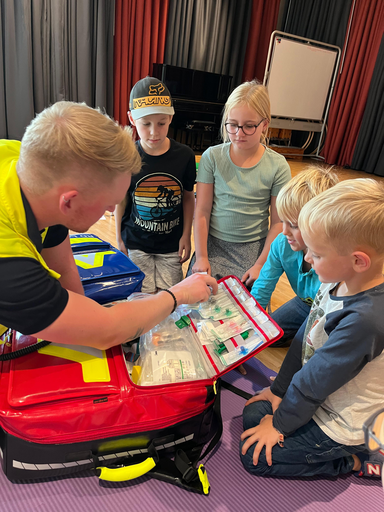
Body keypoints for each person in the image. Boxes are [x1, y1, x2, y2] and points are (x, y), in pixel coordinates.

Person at [0, 101, 217, 350]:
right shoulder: (9, 265)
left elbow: (64, 268)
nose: (113, 210)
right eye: (108, 204)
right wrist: (178, 295)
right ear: (69, 201)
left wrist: (84, 320)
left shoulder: (31, 165)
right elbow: (107, 332)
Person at [240, 178, 384, 478]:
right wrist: (278, 390)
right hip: (318, 397)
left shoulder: (366, 320)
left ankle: (359, 462)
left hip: (341, 420)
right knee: (255, 413)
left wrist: (279, 425)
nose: (307, 258)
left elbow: (315, 382)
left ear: (358, 261)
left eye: (316, 254)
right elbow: (307, 336)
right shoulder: (334, 277)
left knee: (256, 458)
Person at [189, 80, 291, 287]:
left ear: (265, 124)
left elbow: (279, 224)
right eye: (233, 125)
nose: (238, 133)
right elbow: (202, 211)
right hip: (213, 246)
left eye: (249, 126)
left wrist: (261, 264)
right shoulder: (212, 157)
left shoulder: (278, 166)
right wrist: (201, 257)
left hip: (254, 251)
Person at [115, 77, 196, 293]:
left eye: (161, 123)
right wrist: (118, 239)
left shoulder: (185, 156)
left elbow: (188, 197)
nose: (154, 132)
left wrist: (186, 235)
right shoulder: (127, 155)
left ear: (171, 117)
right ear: (132, 118)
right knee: (141, 295)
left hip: (171, 246)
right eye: (146, 124)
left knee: (171, 299)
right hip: (136, 243)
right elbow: (121, 200)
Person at [251, 166, 339, 347]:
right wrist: (250, 320)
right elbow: (263, 285)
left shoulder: (335, 257)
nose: (284, 232)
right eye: (283, 221)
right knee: (264, 337)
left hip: (329, 313)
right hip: (304, 304)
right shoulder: (281, 244)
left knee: (308, 345)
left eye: (294, 225)